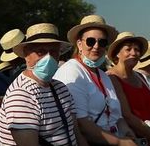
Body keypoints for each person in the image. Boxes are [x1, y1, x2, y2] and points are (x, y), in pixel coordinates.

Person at [0, 23, 88, 146]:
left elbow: (76, 133)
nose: (49, 58)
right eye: (41, 52)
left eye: (53, 52)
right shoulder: (21, 95)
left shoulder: (61, 88)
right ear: (26, 55)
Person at [53, 15, 136, 146]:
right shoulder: (71, 72)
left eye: (102, 42)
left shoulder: (103, 75)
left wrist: (126, 131)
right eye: (90, 41)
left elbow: (117, 116)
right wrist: (120, 142)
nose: (96, 46)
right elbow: (81, 124)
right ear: (79, 44)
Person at [106, 32, 150, 146]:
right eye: (128, 49)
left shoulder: (139, 76)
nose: (134, 53)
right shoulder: (112, 78)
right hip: (136, 139)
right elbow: (128, 116)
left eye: (137, 49)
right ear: (117, 54)